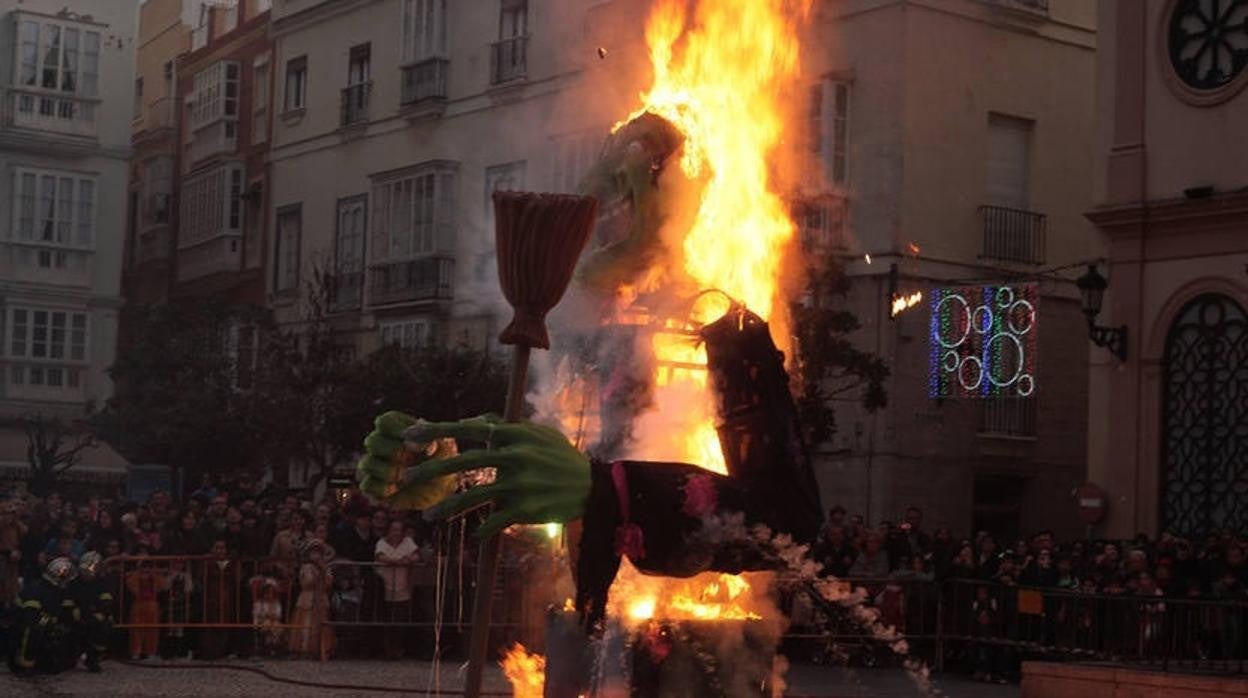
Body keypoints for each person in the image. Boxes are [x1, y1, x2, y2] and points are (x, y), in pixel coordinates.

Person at [10, 557, 79, 675]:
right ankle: (25, 664)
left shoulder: (61, 591)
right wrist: (50, 622)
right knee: (35, 629)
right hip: (21, 627)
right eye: (64, 575)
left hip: (45, 624)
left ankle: (55, 660)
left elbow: (68, 613)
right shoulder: (36, 589)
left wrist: (64, 624)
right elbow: (30, 617)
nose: (66, 579)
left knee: (65, 630)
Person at [375, 520, 418, 659]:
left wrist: (409, 560)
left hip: (403, 588)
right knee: (387, 620)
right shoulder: (381, 543)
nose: (396, 533)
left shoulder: (408, 542)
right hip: (385, 587)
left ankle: (398, 649)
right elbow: (381, 557)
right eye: (393, 529)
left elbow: (416, 555)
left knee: (400, 621)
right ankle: (387, 650)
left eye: (398, 530)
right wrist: (396, 562)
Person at [289, 539, 335, 658]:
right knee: (306, 623)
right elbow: (308, 582)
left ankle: (321, 648)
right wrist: (317, 572)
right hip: (308, 598)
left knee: (321, 624)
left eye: (319, 552)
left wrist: (323, 570)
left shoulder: (326, 567)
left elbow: (329, 583)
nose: (317, 555)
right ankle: (303, 649)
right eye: (314, 552)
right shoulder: (306, 567)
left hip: (321, 599)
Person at [72, 551, 113, 672]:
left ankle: (93, 657)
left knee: (105, 627)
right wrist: (77, 614)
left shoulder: (102, 584)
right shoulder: (74, 583)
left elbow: (107, 603)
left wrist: (99, 615)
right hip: (76, 617)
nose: (87, 572)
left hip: (95, 618)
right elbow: (68, 601)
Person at [125, 550, 168, 660]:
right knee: (136, 629)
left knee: (152, 629)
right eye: (144, 566)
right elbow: (131, 585)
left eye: (148, 566)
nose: (146, 570)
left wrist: (154, 574)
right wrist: (138, 571)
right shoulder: (134, 576)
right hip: (138, 603)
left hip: (152, 604)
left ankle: (151, 652)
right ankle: (136, 651)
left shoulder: (155, 577)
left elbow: (164, 586)